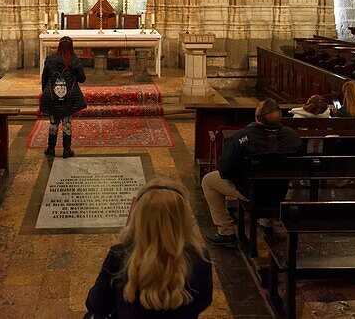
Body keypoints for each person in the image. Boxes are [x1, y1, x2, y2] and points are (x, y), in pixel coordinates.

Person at [86, 179, 213, 318]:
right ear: (182, 219)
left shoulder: (120, 255)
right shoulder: (200, 258)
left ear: (138, 217)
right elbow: (204, 301)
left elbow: (96, 304)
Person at [200, 99, 302, 247]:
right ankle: (267, 220)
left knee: (209, 181)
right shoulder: (292, 137)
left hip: (250, 190)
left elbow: (225, 169)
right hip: (280, 191)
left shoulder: (242, 137)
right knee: (270, 178)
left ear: (257, 116)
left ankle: (226, 231)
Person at [40, 35, 87, 157]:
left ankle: (51, 149)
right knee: (67, 122)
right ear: (71, 47)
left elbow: (44, 78)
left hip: (52, 94)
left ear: (59, 46)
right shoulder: (74, 60)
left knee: (53, 122)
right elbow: (82, 79)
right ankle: (67, 150)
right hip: (69, 96)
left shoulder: (50, 59)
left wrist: (48, 92)